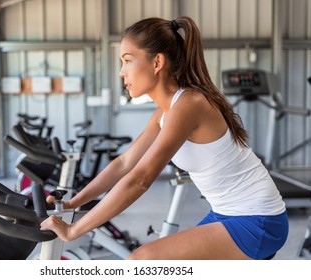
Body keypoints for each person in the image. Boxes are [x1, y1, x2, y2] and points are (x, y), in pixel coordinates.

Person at [40, 16, 288, 260]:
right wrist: (73, 203)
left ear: (157, 62)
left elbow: (140, 180)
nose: (121, 72)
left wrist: (74, 231)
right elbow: (125, 163)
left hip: (259, 220)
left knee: (142, 262)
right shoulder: (164, 112)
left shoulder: (188, 104)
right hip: (226, 214)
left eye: (127, 60)